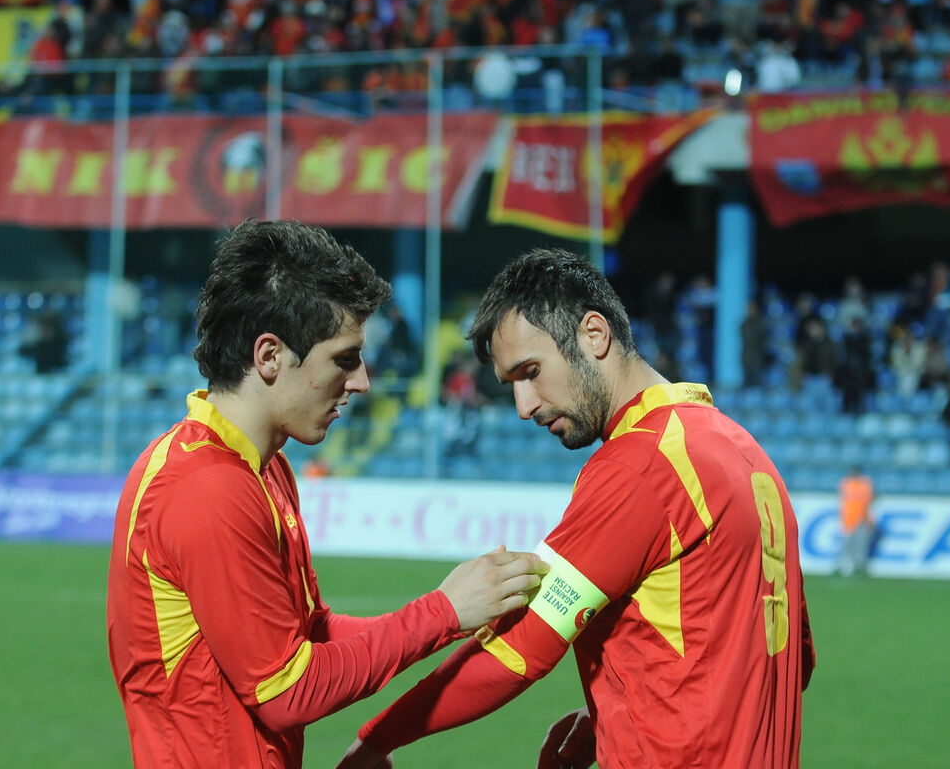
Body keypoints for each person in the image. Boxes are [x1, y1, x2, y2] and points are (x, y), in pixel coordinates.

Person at [340, 249, 815, 769]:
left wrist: (377, 740)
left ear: (594, 334)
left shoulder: (641, 466)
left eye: (531, 372)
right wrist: (622, 707)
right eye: (511, 385)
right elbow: (787, 660)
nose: (524, 406)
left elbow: (517, 651)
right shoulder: (744, 451)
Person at [106, 220, 547, 769]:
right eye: (344, 358)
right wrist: (441, 613)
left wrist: (454, 613)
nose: (362, 381)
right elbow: (284, 692)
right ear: (269, 356)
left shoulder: (262, 467)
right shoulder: (206, 488)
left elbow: (312, 635)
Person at [836, 465, 875, 577]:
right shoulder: (846, 483)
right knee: (848, 544)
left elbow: (869, 500)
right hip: (849, 519)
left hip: (863, 518)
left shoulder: (865, 483)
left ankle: (859, 566)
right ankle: (846, 566)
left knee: (861, 545)